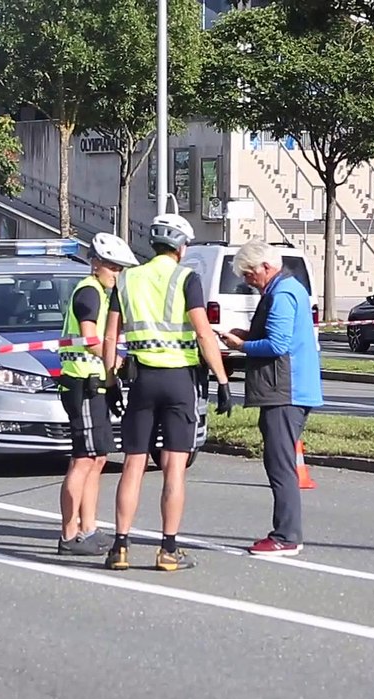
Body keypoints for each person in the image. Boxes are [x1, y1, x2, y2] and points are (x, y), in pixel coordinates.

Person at [101, 213, 232, 572]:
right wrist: (222, 381)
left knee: (133, 463)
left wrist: (111, 381)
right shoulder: (186, 278)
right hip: (179, 381)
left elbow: (111, 337)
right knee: (174, 467)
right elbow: (204, 333)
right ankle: (168, 550)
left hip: (141, 380)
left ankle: (120, 547)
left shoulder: (126, 279)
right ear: (180, 247)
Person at [219, 240, 323, 557]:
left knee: (281, 466)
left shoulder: (281, 293)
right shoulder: (285, 289)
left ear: (266, 267)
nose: (248, 280)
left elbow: (278, 345)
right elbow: (279, 336)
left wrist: (241, 346)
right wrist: (247, 335)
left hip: (285, 391)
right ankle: (285, 532)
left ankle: (286, 535)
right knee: (280, 462)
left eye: (249, 274)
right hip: (286, 389)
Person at [56, 232, 139, 556]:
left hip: (95, 382)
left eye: (121, 270)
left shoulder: (102, 294)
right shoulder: (89, 292)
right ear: (98, 264)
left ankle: (88, 528)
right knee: (83, 460)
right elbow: (90, 338)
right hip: (82, 382)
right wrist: (115, 360)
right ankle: (69, 534)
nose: (118, 275)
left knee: (98, 457)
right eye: (115, 269)